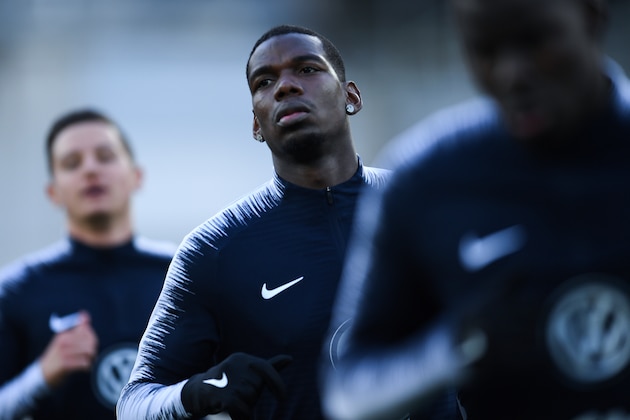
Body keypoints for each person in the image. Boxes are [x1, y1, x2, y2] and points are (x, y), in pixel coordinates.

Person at [321, 0, 630, 419]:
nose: (511, 73)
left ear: (592, 18)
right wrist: (454, 346)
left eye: (535, 41)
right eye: (485, 50)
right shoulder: (427, 181)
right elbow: (348, 391)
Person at [116, 24, 396, 420]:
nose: (285, 86)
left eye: (307, 69)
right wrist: (198, 391)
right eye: (265, 81)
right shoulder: (213, 249)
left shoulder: (420, 203)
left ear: (350, 96)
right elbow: (133, 404)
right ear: (255, 124)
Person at [0, 108, 176, 419]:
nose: (91, 170)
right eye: (71, 163)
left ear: (136, 177)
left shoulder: (183, 275)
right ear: (53, 192)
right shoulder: (16, 290)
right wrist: (42, 375)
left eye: (105, 156)